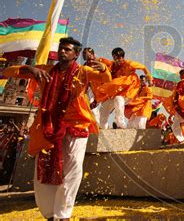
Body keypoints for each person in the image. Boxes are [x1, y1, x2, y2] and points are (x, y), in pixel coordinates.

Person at [3, 37, 111, 220]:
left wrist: (105, 68)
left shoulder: (83, 71)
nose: (62, 52)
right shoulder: (45, 71)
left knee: (73, 168)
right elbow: (8, 71)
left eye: (67, 50)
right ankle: (50, 214)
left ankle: (64, 213)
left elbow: (105, 79)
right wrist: (31, 69)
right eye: (61, 49)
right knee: (43, 169)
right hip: (48, 127)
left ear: (76, 54)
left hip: (76, 126)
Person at [95, 47, 153, 129]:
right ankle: (103, 128)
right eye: (115, 58)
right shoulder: (112, 66)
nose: (117, 60)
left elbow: (143, 67)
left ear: (122, 57)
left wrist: (149, 79)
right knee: (104, 107)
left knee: (119, 99)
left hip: (129, 91)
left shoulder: (129, 64)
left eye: (119, 58)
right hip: (116, 93)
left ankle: (121, 125)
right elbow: (102, 62)